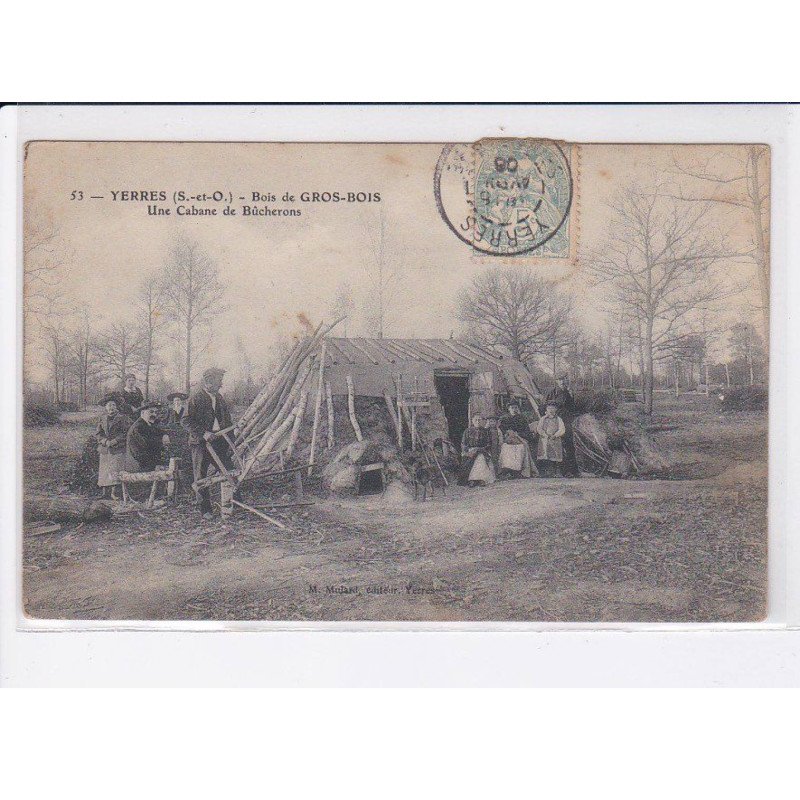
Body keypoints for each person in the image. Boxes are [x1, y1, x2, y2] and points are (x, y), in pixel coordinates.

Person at [182, 367, 233, 519]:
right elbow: (185, 420)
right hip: (200, 444)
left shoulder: (220, 398)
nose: (221, 384)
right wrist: (204, 433)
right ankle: (205, 510)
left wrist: (231, 443)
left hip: (219, 442)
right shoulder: (195, 398)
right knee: (201, 477)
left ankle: (233, 504)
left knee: (229, 471)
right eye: (219, 380)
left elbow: (228, 421)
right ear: (209, 381)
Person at [95, 396, 132, 500]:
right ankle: (104, 493)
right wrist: (105, 441)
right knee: (104, 470)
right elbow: (98, 433)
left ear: (117, 407)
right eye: (109, 405)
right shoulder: (102, 418)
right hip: (105, 448)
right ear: (106, 407)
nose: (111, 407)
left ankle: (114, 493)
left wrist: (115, 441)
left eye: (113, 405)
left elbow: (126, 433)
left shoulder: (123, 418)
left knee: (116, 469)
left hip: (118, 447)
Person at [543, 375, 579, 477]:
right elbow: (542, 407)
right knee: (555, 445)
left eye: (564, 379)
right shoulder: (551, 393)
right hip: (553, 423)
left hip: (566, 422)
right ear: (556, 381)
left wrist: (571, 397)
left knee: (569, 446)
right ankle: (557, 471)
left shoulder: (568, 393)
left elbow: (573, 409)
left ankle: (572, 471)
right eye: (560, 379)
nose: (563, 381)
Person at [126, 402, 171, 472]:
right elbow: (141, 451)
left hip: (148, 464)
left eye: (156, 412)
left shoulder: (148, 424)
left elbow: (159, 431)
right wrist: (154, 465)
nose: (154, 415)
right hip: (140, 466)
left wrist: (165, 434)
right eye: (151, 412)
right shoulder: (138, 427)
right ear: (142, 413)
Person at [457, 413, 496, 487]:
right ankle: (471, 479)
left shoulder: (486, 431)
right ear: (472, 421)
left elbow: (489, 444)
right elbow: (463, 444)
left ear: (482, 421)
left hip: (482, 451)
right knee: (469, 459)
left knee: (480, 458)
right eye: (476, 420)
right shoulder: (467, 431)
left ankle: (480, 479)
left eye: (479, 420)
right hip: (470, 450)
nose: (477, 422)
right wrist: (468, 450)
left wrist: (480, 449)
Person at [536, 402, 566, 477]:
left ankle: (557, 472)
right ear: (546, 409)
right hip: (545, 439)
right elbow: (539, 428)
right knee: (545, 453)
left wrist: (555, 435)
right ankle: (546, 472)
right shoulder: (543, 419)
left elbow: (562, 429)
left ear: (556, 409)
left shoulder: (559, 419)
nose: (551, 410)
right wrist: (545, 434)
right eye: (549, 408)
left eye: (553, 408)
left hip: (555, 439)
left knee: (556, 454)